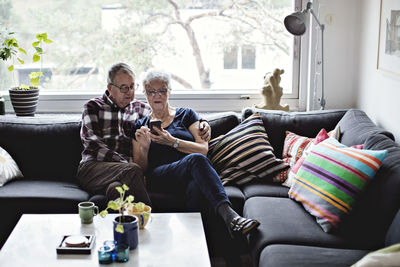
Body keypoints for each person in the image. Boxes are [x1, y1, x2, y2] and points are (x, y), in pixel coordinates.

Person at [132, 68, 260, 236]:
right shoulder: (140, 126)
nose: (157, 95)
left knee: (197, 188)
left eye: (162, 90)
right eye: (151, 91)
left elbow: (203, 149)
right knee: (195, 160)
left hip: (193, 173)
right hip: (161, 176)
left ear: (169, 92)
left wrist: (172, 142)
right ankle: (231, 217)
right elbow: (140, 169)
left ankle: (203, 248)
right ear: (145, 93)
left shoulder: (186, 115)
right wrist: (144, 147)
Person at [77, 63, 211, 204]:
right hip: (94, 168)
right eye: (124, 87)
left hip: (123, 176)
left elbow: (164, 110)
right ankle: (150, 219)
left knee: (115, 190)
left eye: (132, 86)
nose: (129, 92)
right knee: (133, 170)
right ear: (110, 88)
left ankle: (125, 224)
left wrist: (203, 122)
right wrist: (128, 166)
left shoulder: (141, 109)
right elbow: (93, 143)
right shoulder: (93, 107)